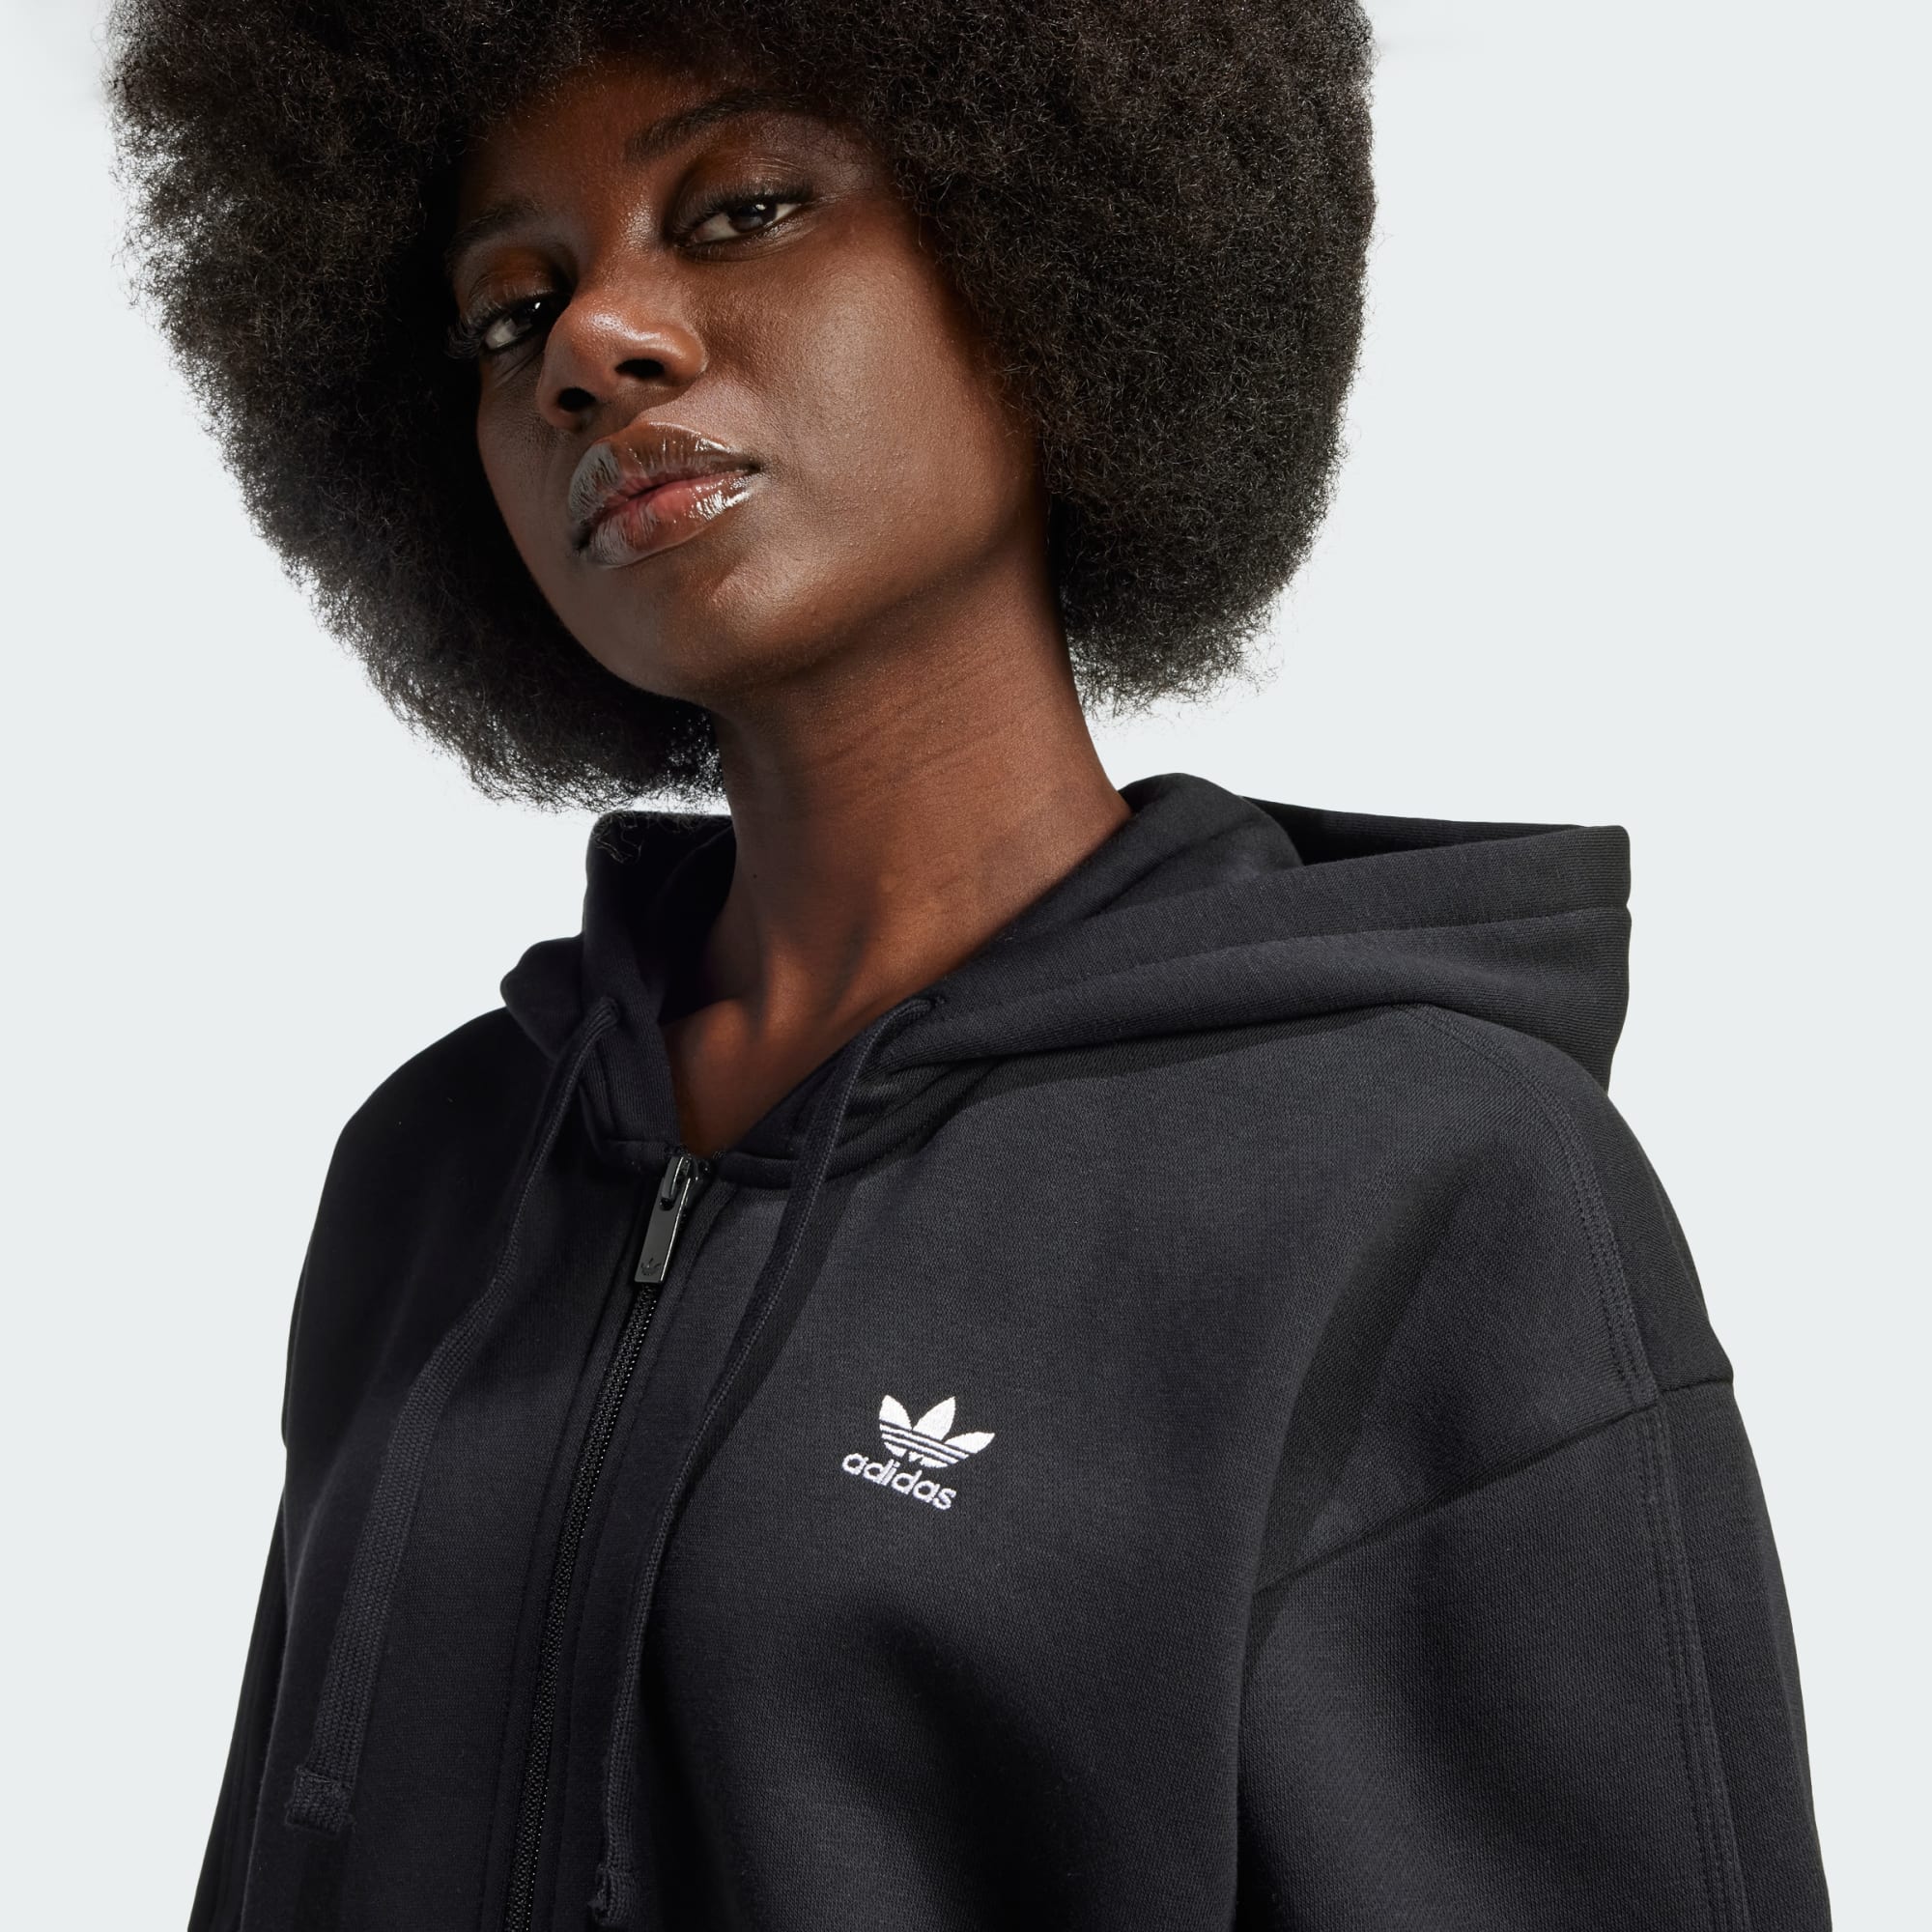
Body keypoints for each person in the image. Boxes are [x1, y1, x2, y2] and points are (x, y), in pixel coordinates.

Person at [104, 3, 1833, 1927]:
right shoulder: (437, 1170)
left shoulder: (1421, 1183)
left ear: (1047, 254)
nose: (594, 342)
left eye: (744, 209)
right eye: (512, 315)